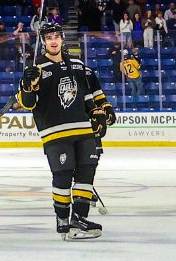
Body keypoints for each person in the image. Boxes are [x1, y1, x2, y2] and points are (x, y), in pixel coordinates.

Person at [17, 20, 114, 240]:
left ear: (62, 39)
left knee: (86, 172)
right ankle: (62, 218)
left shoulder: (77, 65)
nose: (53, 41)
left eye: (56, 37)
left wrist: (97, 111)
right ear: (43, 41)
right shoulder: (36, 69)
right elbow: (28, 103)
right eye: (48, 38)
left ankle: (78, 219)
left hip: (82, 129)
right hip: (55, 132)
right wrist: (27, 85)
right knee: (62, 176)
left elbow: (86, 94)